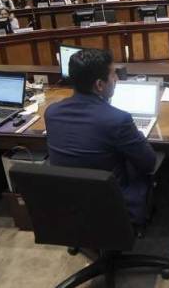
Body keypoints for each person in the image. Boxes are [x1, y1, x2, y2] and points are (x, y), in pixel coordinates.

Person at [45, 48, 156, 224]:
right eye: (113, 75)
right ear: (99, 85)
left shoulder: (51, 113)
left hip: (69, 204)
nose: (117, 80)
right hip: (114, 207)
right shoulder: (118, 119)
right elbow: (149, 163)